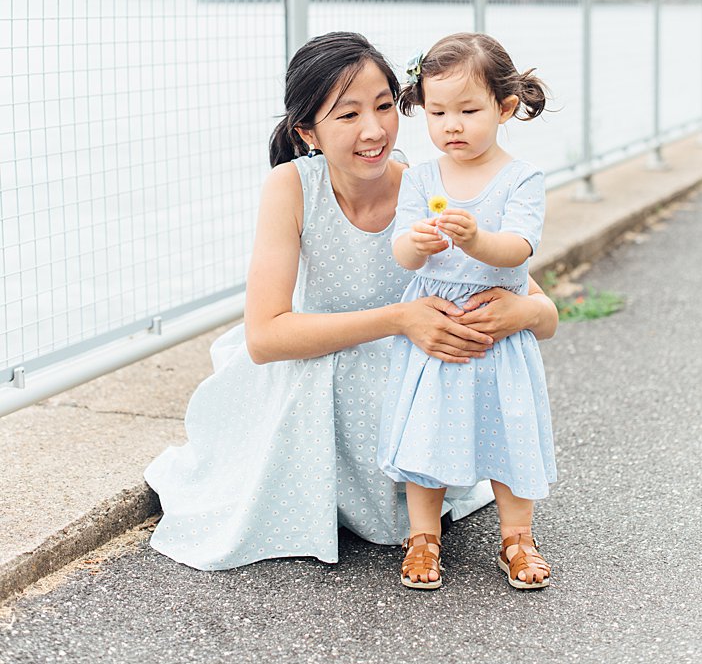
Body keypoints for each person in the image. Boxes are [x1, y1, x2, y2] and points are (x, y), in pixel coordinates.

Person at [146, 32, 559, 571]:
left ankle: (445, 527)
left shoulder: (426, 189)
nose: (374, 130)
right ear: (307, 132)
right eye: (347, 116)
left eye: (385, 107)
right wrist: (400, 318)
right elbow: (266, 337)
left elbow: (541, 310)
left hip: (410, 367)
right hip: (316, 366)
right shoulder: (291, 187)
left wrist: (520, 312)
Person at [379, 32, 556, 592]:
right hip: (435, 326)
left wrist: (477, 239)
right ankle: (423, 535)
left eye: (468, 110)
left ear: (505, 109)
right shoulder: (422, 178)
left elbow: (519, 249)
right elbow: (400, 253)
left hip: (496, 330)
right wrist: (419, 244)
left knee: (510, 431)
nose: (451, 125)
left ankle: (517, 536)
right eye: (437, 112)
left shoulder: (521, 178)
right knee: (428, 434)